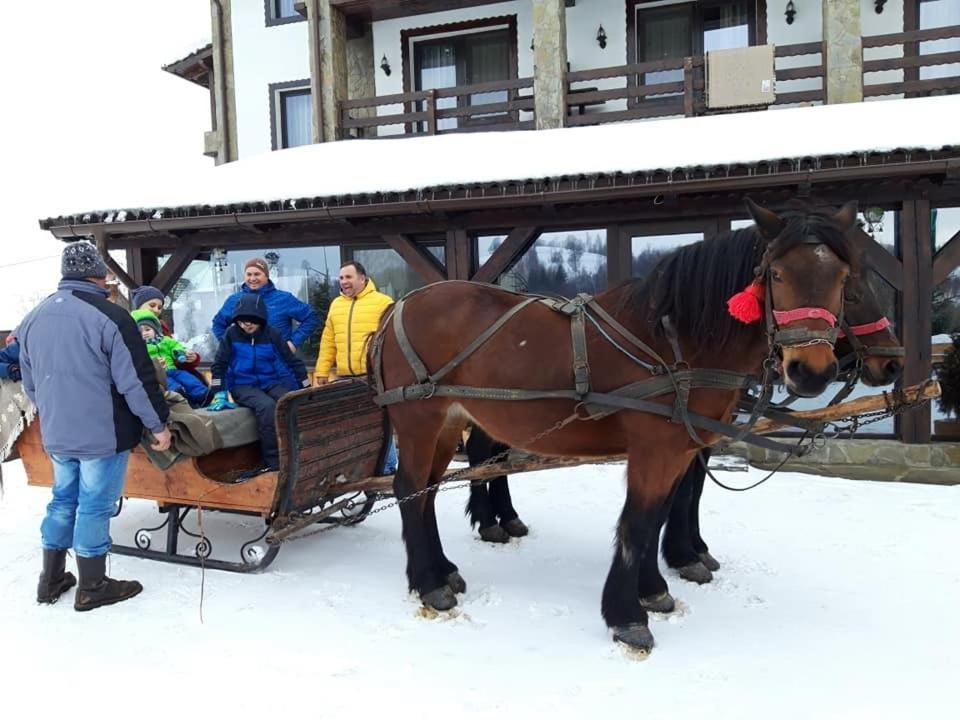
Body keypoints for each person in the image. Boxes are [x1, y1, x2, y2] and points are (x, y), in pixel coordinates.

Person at [17, 240, 172, 611]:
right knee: (94, 505)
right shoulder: (111, 316)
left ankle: (50, 578)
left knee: (62, 501)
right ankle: (93, 585)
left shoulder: (33, 318)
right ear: (99, 273)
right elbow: (135, 380)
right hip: (102, 432)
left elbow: (30, 382)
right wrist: (158, 425)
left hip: (57, 431)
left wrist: (54, 410)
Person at [209, 294, 310, 473]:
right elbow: (219, 364)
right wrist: (218, 391)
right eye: (242, 321)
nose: (247, 325)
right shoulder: (231, 335)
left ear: (261, 319)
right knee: (268, 406)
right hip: (242, 386)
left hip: (269, 382)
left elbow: (292, 360)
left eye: (252, 321)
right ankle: (273, 462)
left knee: (288, 402)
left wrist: (306, 386)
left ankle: (297, 452)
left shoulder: (271, 333)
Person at [314, 261, 396, 473]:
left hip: (373, 375)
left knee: (381, 422)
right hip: (344, 376)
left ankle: (387, 466)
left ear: (362, 278)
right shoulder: (336, 305)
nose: (344, 282)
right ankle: (356, 463)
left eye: (348, 277)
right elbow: (328, 340)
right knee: (348, 423)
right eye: (341, 278)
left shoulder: (383, 302)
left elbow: (393, 340)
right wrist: (322, 370)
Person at [211, 258, 319, 387]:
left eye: (257, 274)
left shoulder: (283, 299)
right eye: (249, 274)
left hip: (280, 367)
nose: (252, 278)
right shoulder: (235, 300)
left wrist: (294, 342)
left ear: (266, 276)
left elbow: (311, 317)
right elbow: (218, 324)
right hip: (247, 372)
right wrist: (230, 347)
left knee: (286, 402)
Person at [132, 310, 209, 407]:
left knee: (187, 378)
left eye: (147, 329)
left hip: (173, 369)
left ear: (155, 329)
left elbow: (175, 346)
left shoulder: (165, 340)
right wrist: (154, 363)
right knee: (172, 385)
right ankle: (180, 396)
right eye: (140, 331)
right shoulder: (140, 346)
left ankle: (202, 395)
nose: (145, 333)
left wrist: (178, 353)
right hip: (160, 375)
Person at [131, 285, 201, 368]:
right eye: (152, 305)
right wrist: (152, 365)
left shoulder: (162, 326)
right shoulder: (128, 328)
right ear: (139, 306)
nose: (156, 310)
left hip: (171, 373)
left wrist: (188, 356)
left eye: (160, 307)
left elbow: (172, 350)